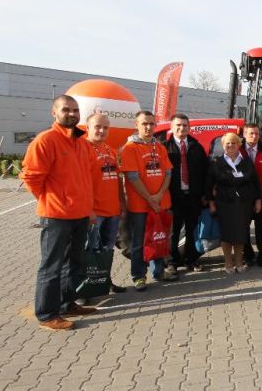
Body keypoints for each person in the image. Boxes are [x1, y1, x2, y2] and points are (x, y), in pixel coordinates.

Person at [21, 95, 97, 330]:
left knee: (74, 262)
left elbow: (87, 179)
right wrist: (52, 200)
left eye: (75, 110)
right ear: (54, 113)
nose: (72, 114)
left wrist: (90, 208)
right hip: (56, 217)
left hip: (81, 215)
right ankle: (46, 314)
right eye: (66, 110)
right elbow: (31, 178)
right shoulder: (46, 141)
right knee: (51, 266)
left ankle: (66, 303)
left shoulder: (82, 143)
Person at [120, 110, 176, 290]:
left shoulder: (159, 147)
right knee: (139, 242)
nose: (148, 127)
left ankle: (159, 272)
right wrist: (150, 198)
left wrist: (159, 196)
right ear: (136, 125)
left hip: (161, 203)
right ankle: (138, 276)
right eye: (144, 123)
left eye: (152, 124)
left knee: (159, 238)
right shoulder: (130, 148)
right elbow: (133, 177)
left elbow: (168, 172)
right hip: (140, 206)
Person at [84, 113, 127, 300]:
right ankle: (83, 288)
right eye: (97, 127)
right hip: (94, 213)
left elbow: (117, 179)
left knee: (107, 251)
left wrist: (122, 203)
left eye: (106, 127)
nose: (102, 131)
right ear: (88, 127)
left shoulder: (110, 150)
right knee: (89, 252)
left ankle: (103, 281)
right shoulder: (82, 149)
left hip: (112, 211)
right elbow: (79, 182)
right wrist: (88, 209)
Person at [206, 133, 262, 275]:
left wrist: (258, 200)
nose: (231, 145)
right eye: (228, 143)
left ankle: (238, 261)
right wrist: (211, 203)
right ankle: (228, 262)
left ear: (239, 145)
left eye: (234, 143)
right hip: (225, 204)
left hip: (244, 204)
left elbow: (255, 182)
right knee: (226, 235)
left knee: (241, 234)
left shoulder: (246, 161)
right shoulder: (216, 162)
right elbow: (208, 185)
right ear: (223, 145)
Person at [164, 113, 208, 273]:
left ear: (189, 128)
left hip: (193, 196)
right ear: (172, 127)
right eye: (178, 125)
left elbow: (205, 172)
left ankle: (192, 259)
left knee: (192, 230)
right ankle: (172, 262)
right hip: (173, 197)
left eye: (185, 125)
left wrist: (205, 194)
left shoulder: (197, 147)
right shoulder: (164, 148)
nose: (182, 128)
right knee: (173, 232)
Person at [241, 124, 262, 269]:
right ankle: (248, 256)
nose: (254, 136)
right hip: (243, 198)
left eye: (256, 134)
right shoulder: (237, 150)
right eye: (251, 134)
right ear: (244, 134)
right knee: (244, 228)